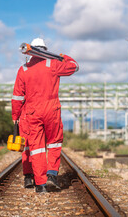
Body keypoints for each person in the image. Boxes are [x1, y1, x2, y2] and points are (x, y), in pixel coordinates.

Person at [11, 38, 79, 193]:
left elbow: (17, 97)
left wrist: (15, 115)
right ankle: (52, 175)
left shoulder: (24, 69)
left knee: (36, 148)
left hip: (32, 112)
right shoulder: (53, 64)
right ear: (45, 49)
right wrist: (62, 56)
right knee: (54, 142)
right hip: (52, 109)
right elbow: (74, 66)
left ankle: (40, 185)